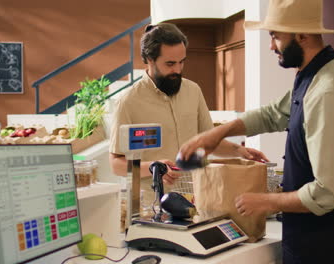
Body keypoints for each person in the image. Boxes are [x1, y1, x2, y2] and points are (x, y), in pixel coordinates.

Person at [178, 0, 334, 263]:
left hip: (328, 242)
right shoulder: (312, 76)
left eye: (275, 36)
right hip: (308, 237)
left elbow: (328, 192)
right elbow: (274, 114)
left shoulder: (328, 92)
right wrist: (219, 133)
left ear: (302, 36)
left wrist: (266, 201)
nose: (271, 46)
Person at [109, 23, 267, 210]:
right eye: (170, 64)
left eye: (181, 62)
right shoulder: (128, 102)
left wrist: (240, 151)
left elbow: (209, 140)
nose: (177, 69)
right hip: (152, 209)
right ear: (150, 59)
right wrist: (153, 167)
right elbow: (116, 165)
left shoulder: (193, 91)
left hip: (197, 200)